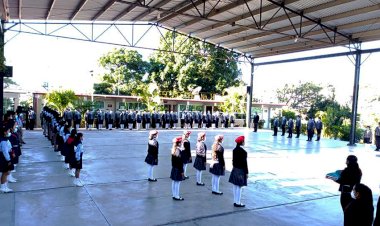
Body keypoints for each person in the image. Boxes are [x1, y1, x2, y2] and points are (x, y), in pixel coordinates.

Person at [229, 136, 248, 207]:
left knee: (234, 186)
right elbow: (245, 163)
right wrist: (246, 172)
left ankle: (235, 201)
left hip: (235, 169)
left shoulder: (234, 150)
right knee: (239, 187)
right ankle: (238, 202)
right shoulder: (243, 152)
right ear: (242, 142)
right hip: (240, 170)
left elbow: (233, 161)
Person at [0, 126, 14, 193]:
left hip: (5, 156)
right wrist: (8, 160)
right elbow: (5, 151)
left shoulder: (5, 139)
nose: (9, 132)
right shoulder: (3, 141)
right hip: (4, 158)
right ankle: (3, 187)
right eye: (8, 131)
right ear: (4, 132)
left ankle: (5, 186)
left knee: (6, 172)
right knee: (5, 172)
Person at [170, 136, 184, 201]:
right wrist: (182, 171)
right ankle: (177, 196)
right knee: (177, 183)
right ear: (178, 143)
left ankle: (174, 195)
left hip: (174, 168)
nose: (182, 143)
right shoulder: (178, 151)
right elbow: (180, 162)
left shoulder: (174, 149)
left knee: (174, 182)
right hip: (178, 169)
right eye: (181, 142)